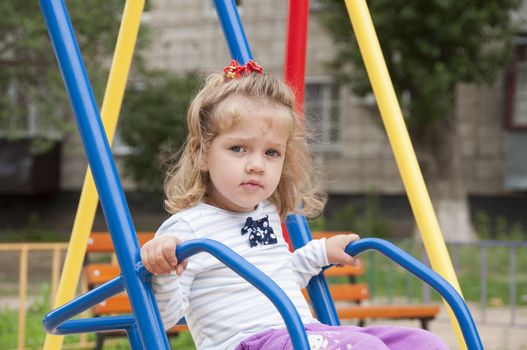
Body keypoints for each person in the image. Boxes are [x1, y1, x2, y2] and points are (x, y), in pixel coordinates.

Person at [140, 60, 449, 350]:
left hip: (299, 331)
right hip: (249, 342)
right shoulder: (188, 227)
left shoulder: (267, 214)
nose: (256, 165)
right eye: (238, 148)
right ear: (202, 154)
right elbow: (163, 317)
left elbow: (283, 273)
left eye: (271, 153)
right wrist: (163, 269)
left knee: (422, 343)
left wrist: (322, 253)